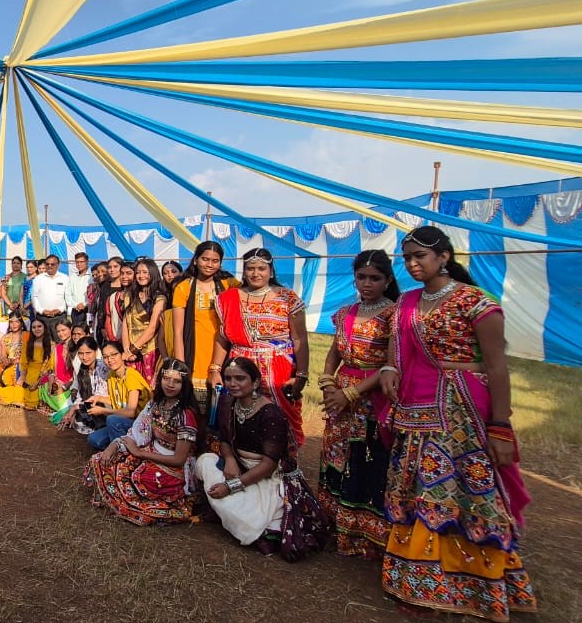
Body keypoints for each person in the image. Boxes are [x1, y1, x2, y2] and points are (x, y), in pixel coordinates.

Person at [378, 226, 536, 620]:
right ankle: (417, 579)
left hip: (461, 410)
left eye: (421, 257)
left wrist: (500, 426)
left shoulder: (477, 302)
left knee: (464, 490)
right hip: (415, 407)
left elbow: (498, 367)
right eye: (408, 257)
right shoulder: (407, 303)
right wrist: (389, 367)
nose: (413, 264)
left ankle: (473, 583)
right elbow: (396, 353)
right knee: (416, 485)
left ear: (444, 257)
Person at [195, 356, 326, 557]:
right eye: (229, 378)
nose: (233, 384)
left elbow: (269, 465)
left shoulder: (271, 414)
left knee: (245, 517)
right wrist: (229, 459)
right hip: (238, 466)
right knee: (205, 461)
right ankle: (236, 511)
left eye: (240, 378)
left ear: (255, 382)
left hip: (268, 478)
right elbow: (224, 438)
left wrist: (231, 486)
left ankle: (249, 519)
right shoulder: (228, 401)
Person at [317, 249, 398, 558]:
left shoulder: (394, 315)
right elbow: (335, 352)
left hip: (372, 397)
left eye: (375, 278)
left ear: (387, 280)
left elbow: (390, 366)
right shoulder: (346, 312)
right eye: (361, 277)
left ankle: (364, 534)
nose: (367, 284)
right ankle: (335, 523)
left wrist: (351, 394)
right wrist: (327, 382)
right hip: (339, 395)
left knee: (367, 459)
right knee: (335, 455)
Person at [213, 247, 309, 449]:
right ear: (244, 271)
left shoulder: (288, 298)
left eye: (261, 269)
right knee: (238, 417)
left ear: (271, 271)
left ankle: (283, 469)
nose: (256, 274)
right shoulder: (229, 298)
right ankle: (243, 464)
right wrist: (214, 369)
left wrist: (301, 374)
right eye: (250, 268)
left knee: (280, 419)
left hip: (278, 370)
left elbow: (300, 338)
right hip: (239, 369)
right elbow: (222, 337)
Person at [85, 358, 199, 525]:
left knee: (143, 478)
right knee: (101, 459)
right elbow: (137, 432)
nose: (170, 385)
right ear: (160, 379)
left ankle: (126, 503)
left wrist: (139, 453)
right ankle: (121, 500)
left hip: (173, 467)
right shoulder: (155, 404)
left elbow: (178, 459)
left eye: (177, 381)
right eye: (166, 379)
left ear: (184, 385)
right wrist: (115, 444)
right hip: (150, 452)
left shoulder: (186, 415)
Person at [171, 241, 239, 406]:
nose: (209, 264)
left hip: (223, 351)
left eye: (215, 261)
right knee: (196, 411)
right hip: (194, 354)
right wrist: (181, 366)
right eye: (205, 259)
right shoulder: (184, 287)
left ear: (220, 263)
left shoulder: (229, 284)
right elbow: (178, 331)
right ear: (195, 260)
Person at [86, 340, 152, 450]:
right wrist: (99, 398)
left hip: (140, 423)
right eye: (106, 357)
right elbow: (116, 401)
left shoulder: (131, 376)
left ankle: (120, 453)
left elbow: (131, 412)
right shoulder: (111, 375)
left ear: (122, 355)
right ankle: (124, 445)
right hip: (125, 421)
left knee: (112, 420)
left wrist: (103, 411)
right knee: (93, 439)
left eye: (114, 355)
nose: (110, 360)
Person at [121, 259, 167, 384]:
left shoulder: (159, 298)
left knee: (150, 386)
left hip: (151, 348)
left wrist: (133, 349)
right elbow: (125, 324)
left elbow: (152, 328)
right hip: (130, 350)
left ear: (152, 273)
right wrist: (126, 350)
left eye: (145, 272)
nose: (141, 276)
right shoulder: (130, 295)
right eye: (138, 272)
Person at [0, 316, 52, 409]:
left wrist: (38, 381)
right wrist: (23, 376)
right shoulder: (28, 344)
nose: (37, 329)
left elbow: (50, 366)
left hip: (43, 375)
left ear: (45, 328)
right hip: (29, 374)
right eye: (34, 327)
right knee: (18, 393)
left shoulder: (51, 345)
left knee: (34, 398)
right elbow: (23, 363)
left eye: (39, 326)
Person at [53, 337, 108, 435]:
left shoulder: (102, 367)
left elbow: (97, 397)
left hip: (104, 406)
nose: (84, 357)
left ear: (96, 352)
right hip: (88, 406)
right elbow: (80, 395)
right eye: (81, 353)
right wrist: (74, 409)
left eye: (88, 353)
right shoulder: (82, 369)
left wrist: (74, 408)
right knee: (72, 419)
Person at [37, 319, 75, 415]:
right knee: (45, 386)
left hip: (71, 385)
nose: (60, 334)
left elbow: (76, 374)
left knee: (64, 406)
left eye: (63, 330)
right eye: (58, 331)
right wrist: (53, 380)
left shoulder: (76, 347)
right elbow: (54, 370)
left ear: (71, 329)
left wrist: (65, 385)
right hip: (57, 382)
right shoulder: (57, 347)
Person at [31, 254, 70, 338]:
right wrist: (42, 310)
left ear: (58, 265)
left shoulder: (65, 278)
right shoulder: (38, 278)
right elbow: (34, 297)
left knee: (60, 342)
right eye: (47, 264)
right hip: (42, 317)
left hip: (59, 317)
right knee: (44, 343)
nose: (50, 266)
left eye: (52, 264)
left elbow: (67, 297)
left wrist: (59, 309)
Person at [158, 261, 183, 358]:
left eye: (173, 271)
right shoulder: (163, 297)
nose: (170, 275)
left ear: (181, 273)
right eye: (165, 273)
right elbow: (160, 339)